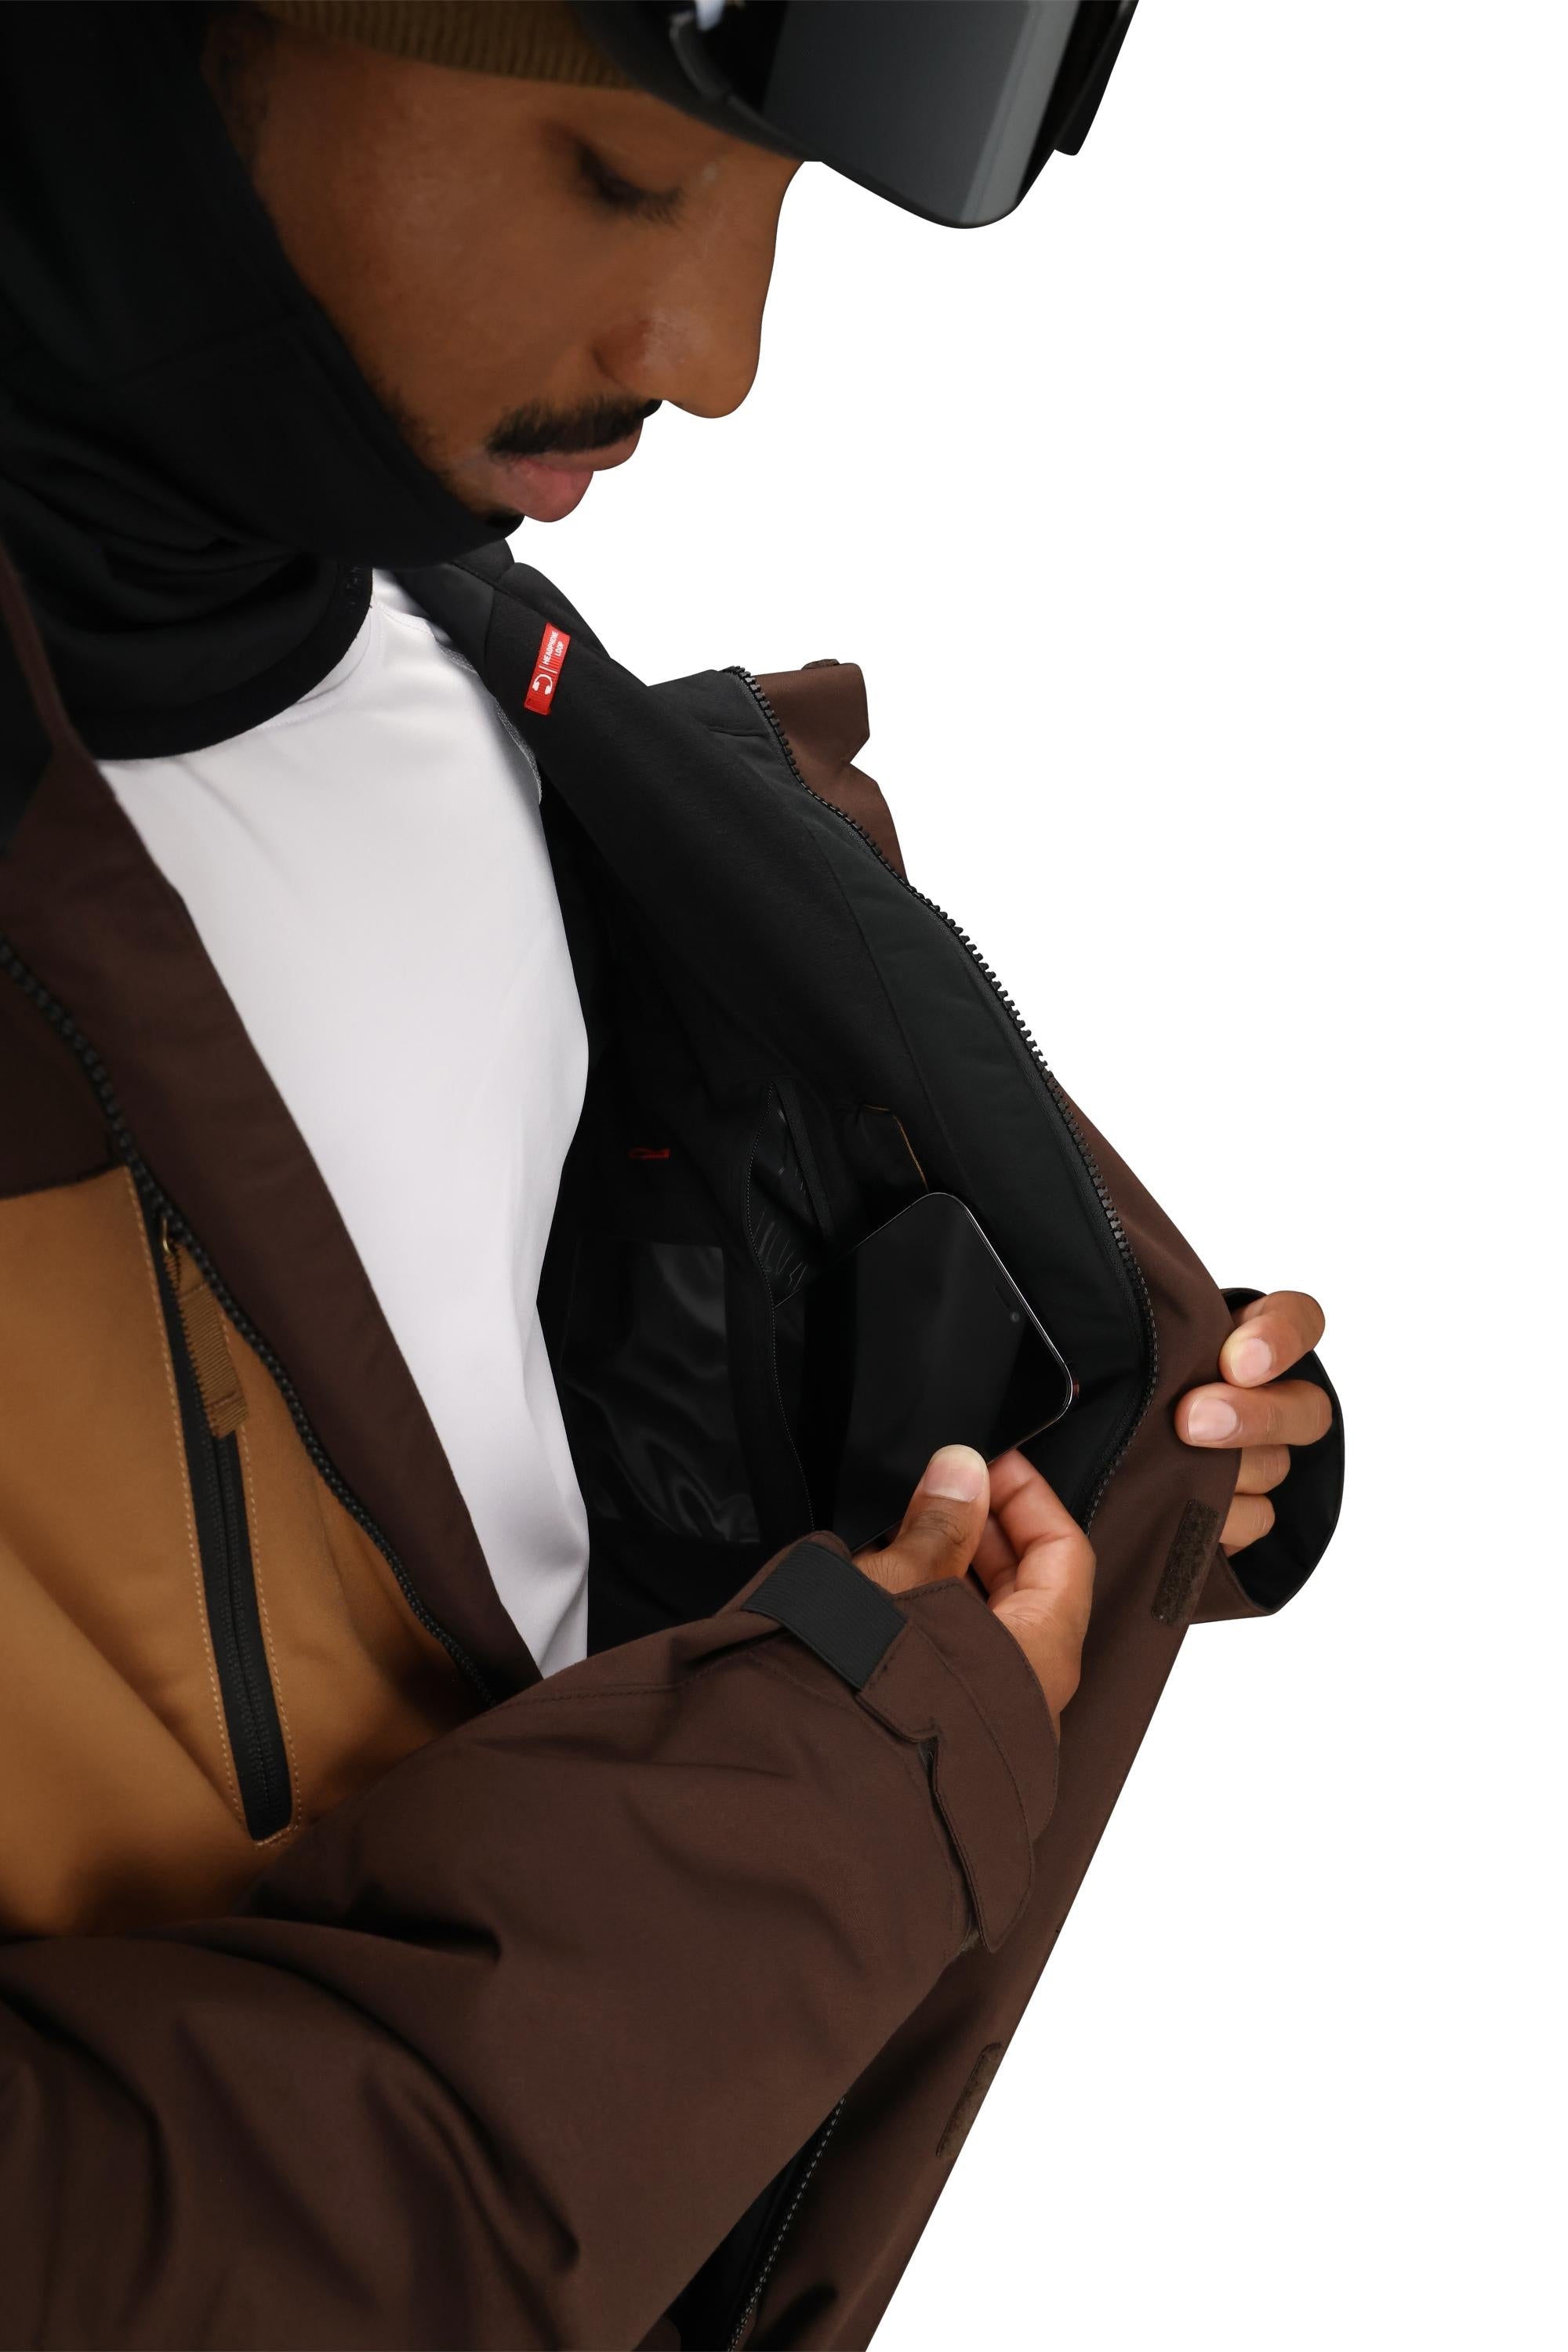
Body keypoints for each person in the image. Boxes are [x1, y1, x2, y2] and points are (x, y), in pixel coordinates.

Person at [0, 6, 1341, 2346]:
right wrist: (830, 1800)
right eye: (618, 180)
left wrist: (1094, 1456)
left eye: (776, 202)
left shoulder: (449, 657)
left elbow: (501, 1431)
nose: (718, 357)